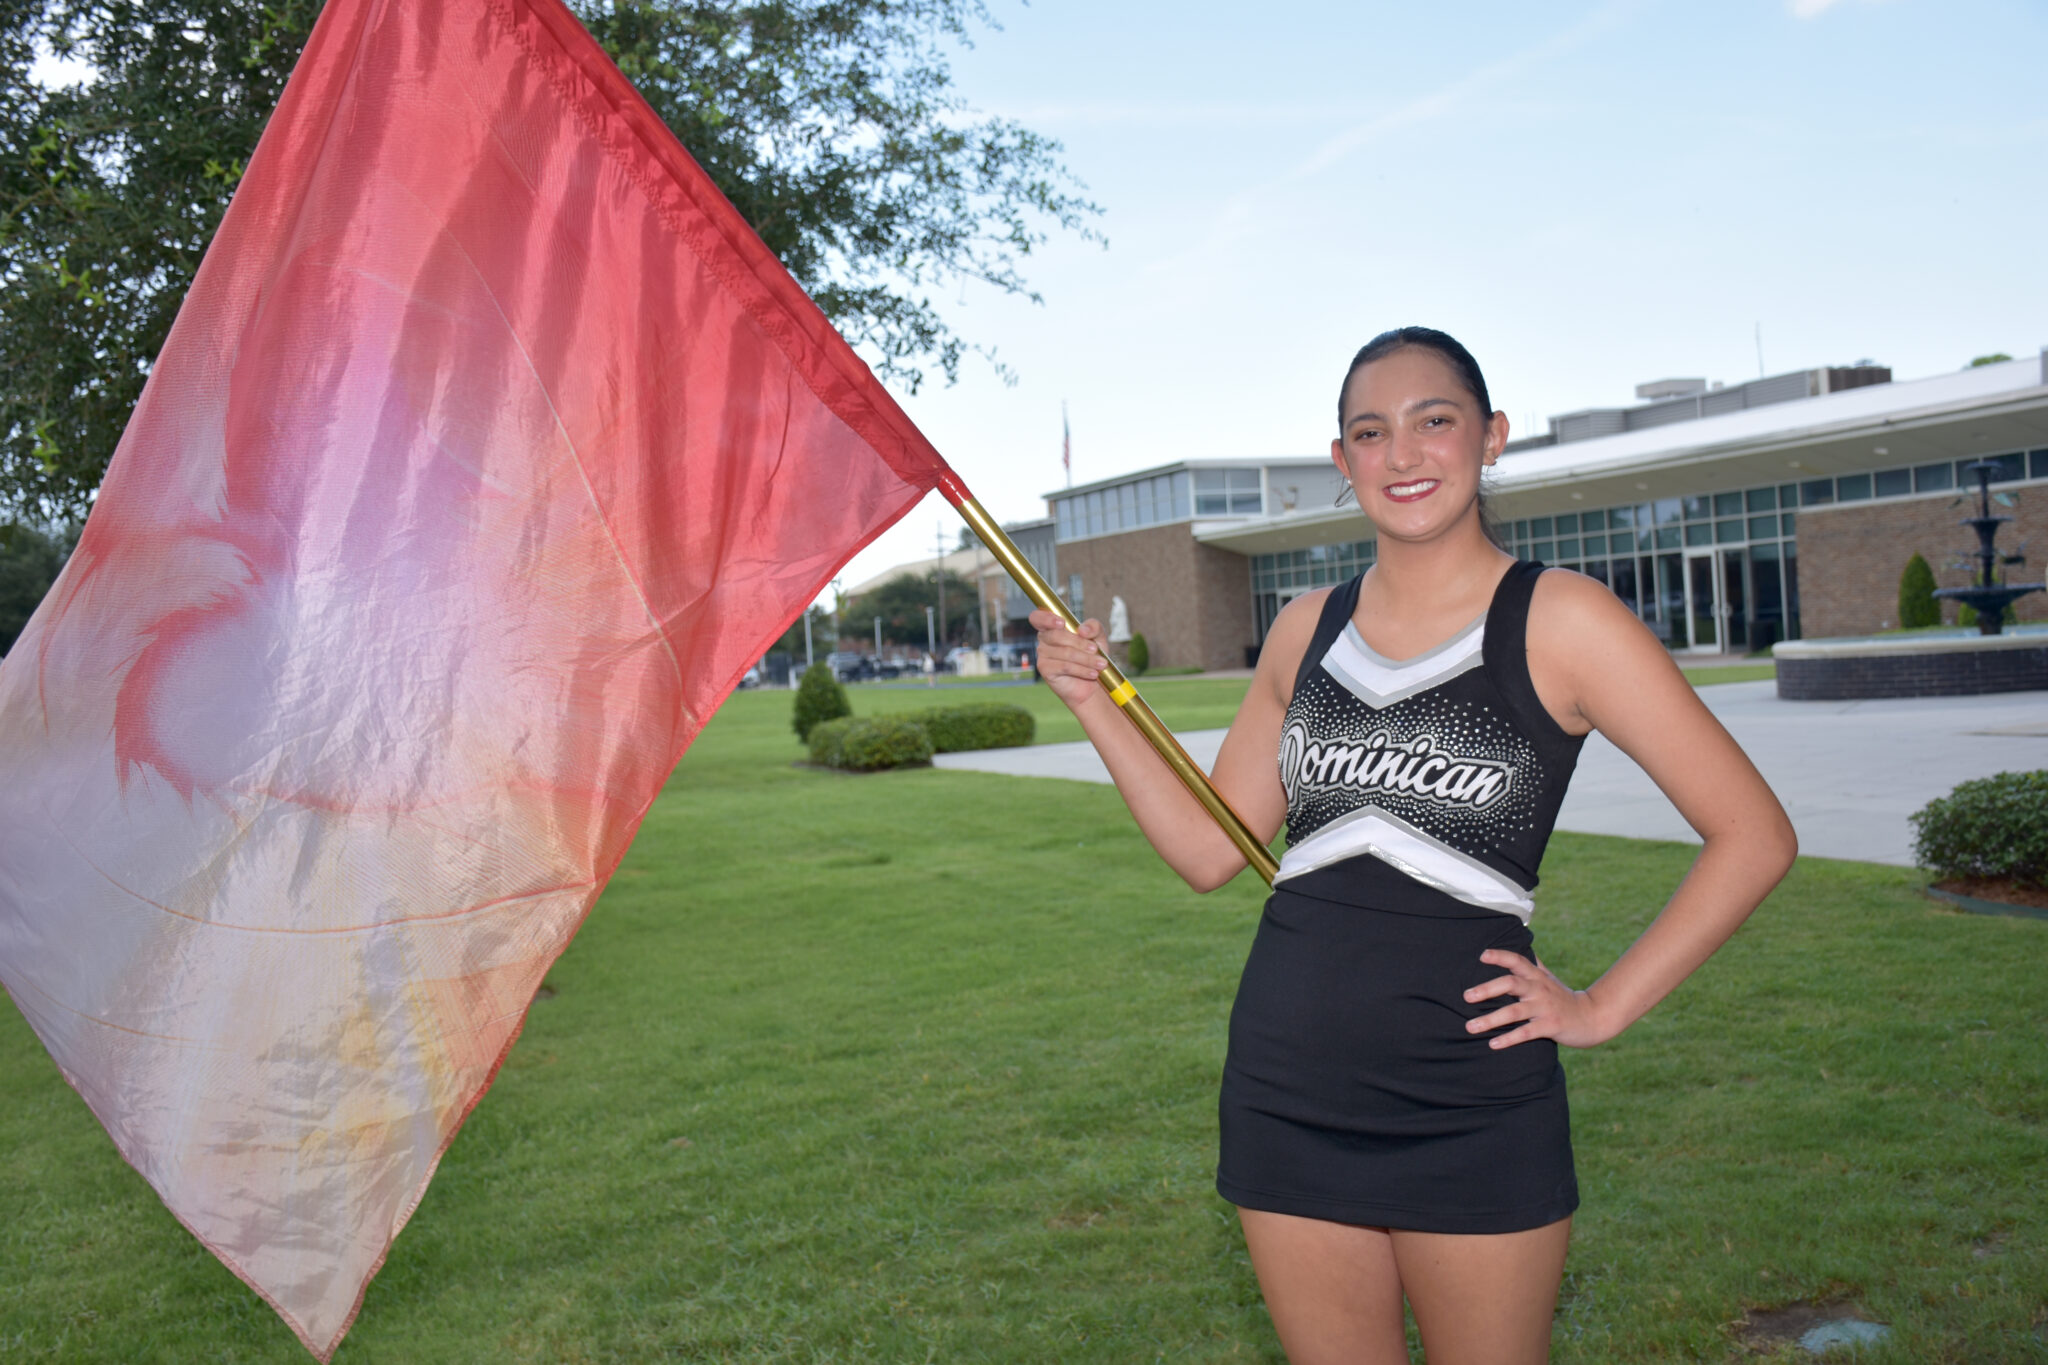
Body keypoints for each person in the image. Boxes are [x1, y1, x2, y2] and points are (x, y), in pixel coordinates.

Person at [1030, 327, 1796, 1365]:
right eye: (1369, 432)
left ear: (1491, 436)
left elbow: (1752, 834)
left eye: (1433, 420)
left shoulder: (1561, 620)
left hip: (1469, 1097)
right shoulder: (1304, 629)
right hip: (1286, 1086)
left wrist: (1601, 1006)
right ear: (1340, 461)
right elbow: (1209, 851)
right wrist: (1092, 703)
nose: (1402, 454)